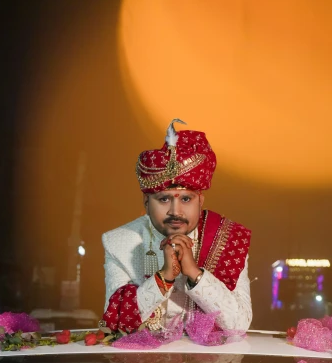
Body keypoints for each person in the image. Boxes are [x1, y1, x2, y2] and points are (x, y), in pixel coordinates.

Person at [101, 119, 252, 333]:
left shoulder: (229, 239)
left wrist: (194, 273)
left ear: (200, 201)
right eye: (164, 199)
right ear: (146, 202)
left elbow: (239, 325)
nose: (175, 211)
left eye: (186, 199)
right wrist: (164, 277)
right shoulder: (119, 242)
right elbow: (113, 323)